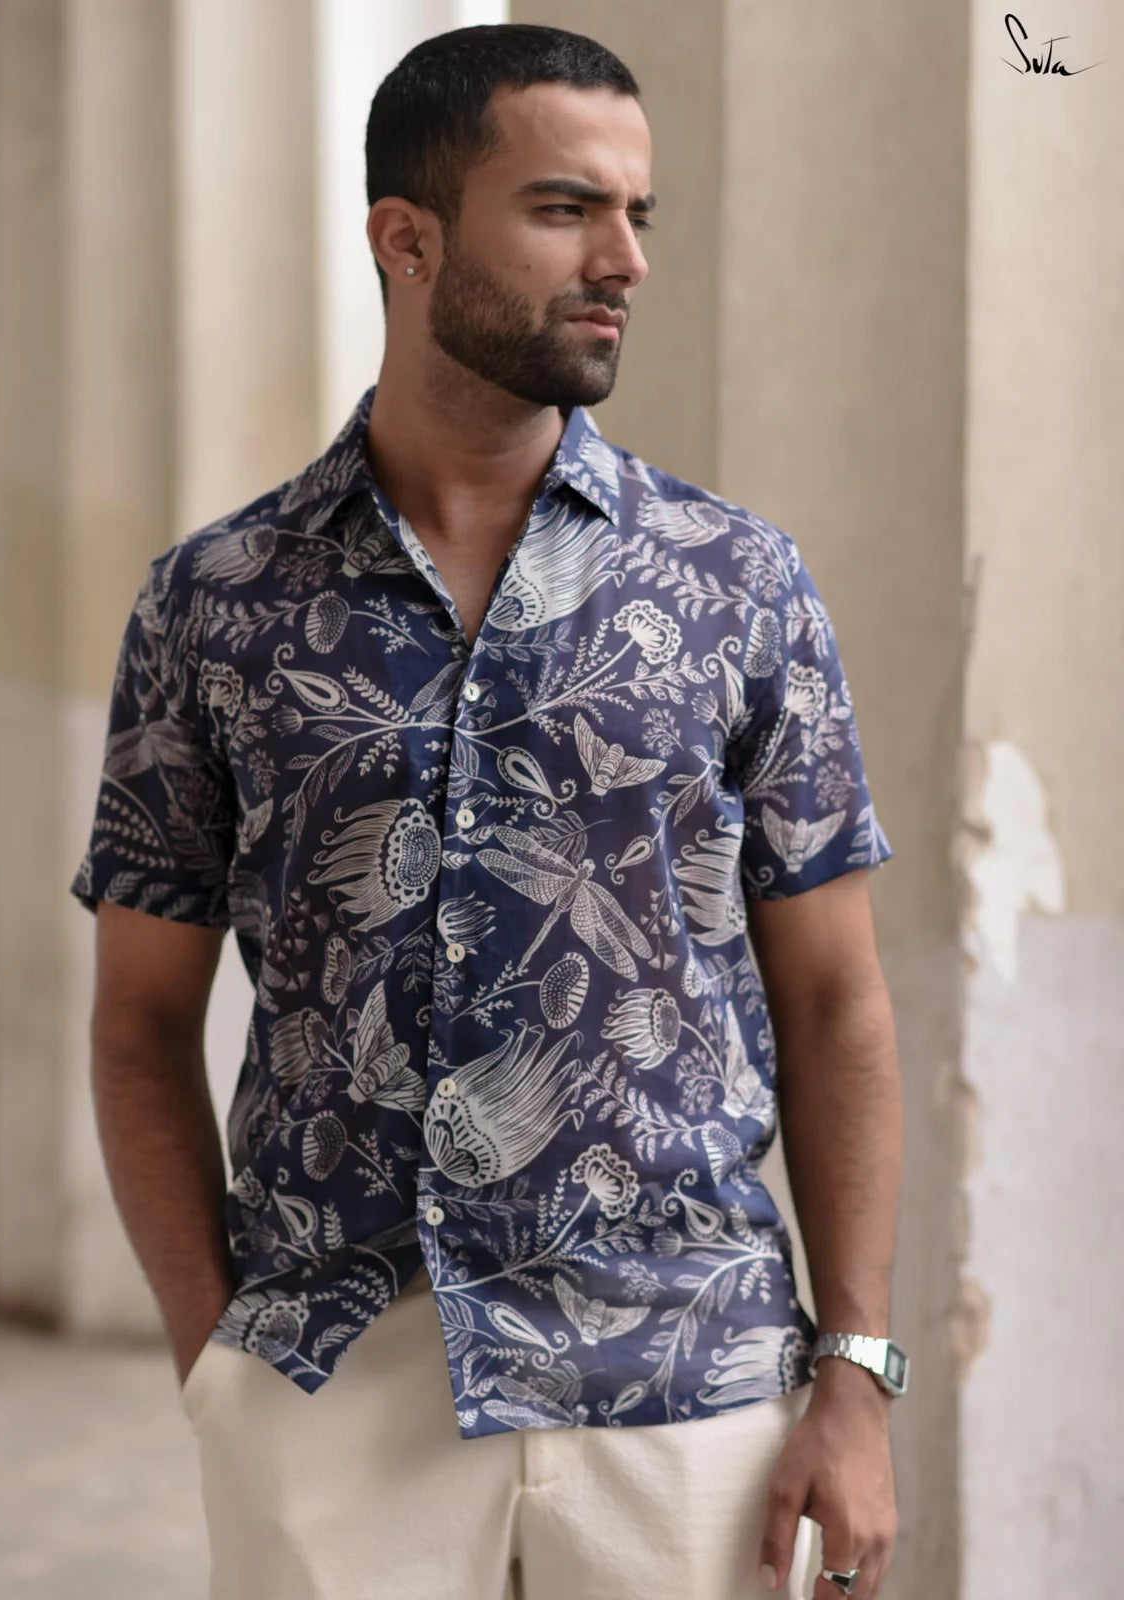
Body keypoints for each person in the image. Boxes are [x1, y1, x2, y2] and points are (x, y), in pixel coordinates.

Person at [71, 22, 906, 1600]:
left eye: (638, 216)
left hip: (688, 1375)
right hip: (333, 1379)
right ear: (408, 239)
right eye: (565, 209)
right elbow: (138, 1021)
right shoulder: (217, 603)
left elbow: (838, 998)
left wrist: (854, 1377)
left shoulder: (737, 586)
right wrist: (217, 1365)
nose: (624, 260)